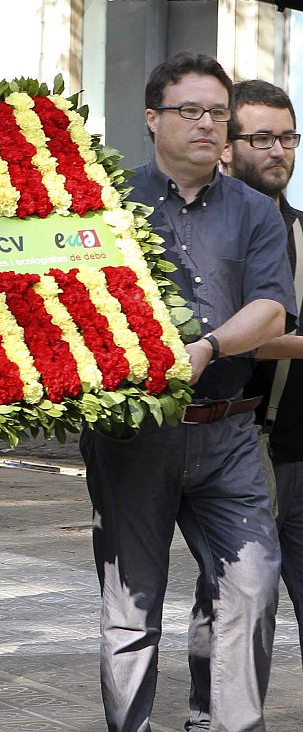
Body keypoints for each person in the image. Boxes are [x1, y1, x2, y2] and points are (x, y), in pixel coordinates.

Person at [79, 52, 296, 732]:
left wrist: (206, 347)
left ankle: (225, 725)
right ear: (152, 119)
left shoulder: (254, 212)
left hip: (228, 431)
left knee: (252, 583)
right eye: (189, 111)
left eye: (216, 114)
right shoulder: (107, 202)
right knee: (131, 609)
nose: (207, 125)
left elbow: (269, 310)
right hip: (133, 436)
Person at [186, 79, 303, 728]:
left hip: (298, 448)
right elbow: (207, 341)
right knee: (232, 595)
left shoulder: (301, 234)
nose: (277, 151)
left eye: (286, 137)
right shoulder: (203, 237)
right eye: (260, 137)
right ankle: (212, 715)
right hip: (231, 446)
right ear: (227, 149)